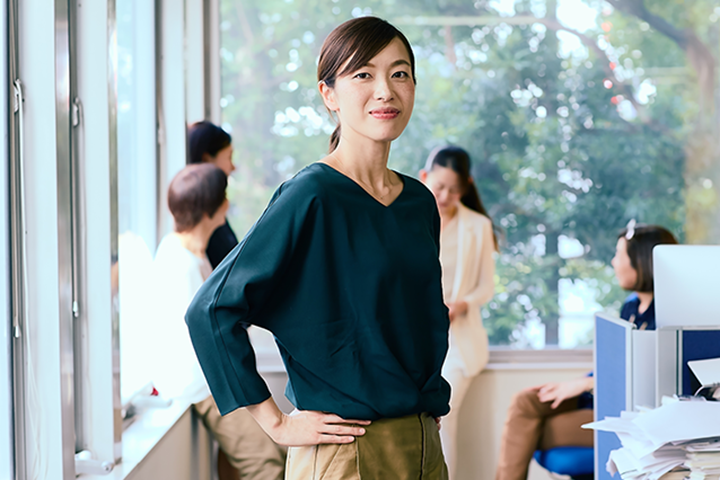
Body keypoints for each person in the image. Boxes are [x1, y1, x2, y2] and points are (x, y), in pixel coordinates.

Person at [186, 16, 451, 479]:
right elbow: (210, 310)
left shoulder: (418, 202)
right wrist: (276, 424)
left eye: (400, 73)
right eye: (363, 74)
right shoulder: (311, 195)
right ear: (329, 94)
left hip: (424, 444)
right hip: (347, 453)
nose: (386, 90)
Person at [494, 223, 678, 480]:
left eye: (619, 255)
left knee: (532, 428)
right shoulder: (631, 308)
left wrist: (586, 384)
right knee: (525, 401)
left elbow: (648, 380)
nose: (613, 262)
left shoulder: (671, 314)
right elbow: (615, 365)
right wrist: (582, 383)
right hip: (600, 395)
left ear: (641, 261)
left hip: (629, 411)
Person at [149, 164, 286, 480]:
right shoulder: (180, 263)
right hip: (204, 385)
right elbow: (197, 334)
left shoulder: (185, 251)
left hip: (211, 379)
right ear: (215, 206)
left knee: (273, 454)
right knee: (267, 467)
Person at [420, 145, 498, 479]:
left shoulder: (478, 226)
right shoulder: (409, 216)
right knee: (413, 423)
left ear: (465, 187)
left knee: (442, 419)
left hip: (458, 342)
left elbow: (486, 286)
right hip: (412, 337)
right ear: (424, 178)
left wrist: (461, 304)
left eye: (453, 190)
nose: (444, 195)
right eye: (438, 187)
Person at [187, 120, 238, 268]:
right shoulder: (203, 220)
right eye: (229, 157)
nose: (233, 167)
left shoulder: (214, 214)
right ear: (206, 159)